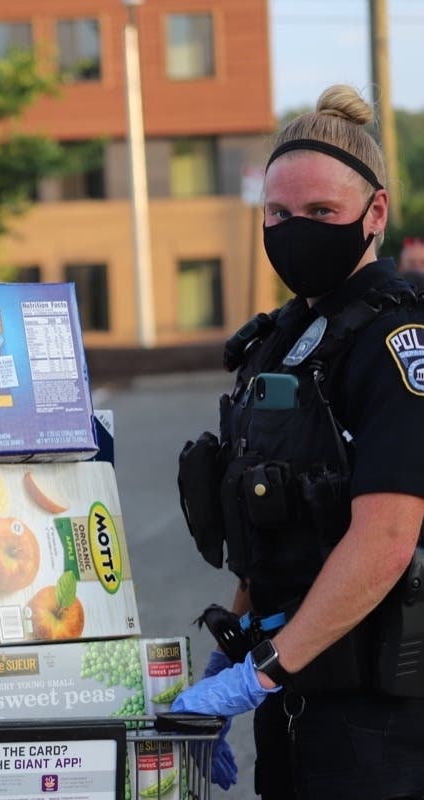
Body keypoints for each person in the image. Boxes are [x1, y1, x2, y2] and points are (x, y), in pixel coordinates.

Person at [174, 84, 424, 799]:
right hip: (293, 703)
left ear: (375, 213)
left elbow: (386, 540)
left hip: (382, 726)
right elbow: (276, 526)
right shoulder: (281, 343)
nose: (295, 231)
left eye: (321, 212)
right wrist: (231, 658)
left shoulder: (394, 343)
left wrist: (258, 674)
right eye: (279, 214)